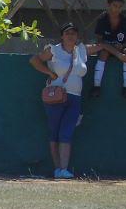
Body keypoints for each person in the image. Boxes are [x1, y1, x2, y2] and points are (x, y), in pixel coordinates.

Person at [30, 23, 100, 179]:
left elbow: (100, 46)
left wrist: (119, 50)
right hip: (56, 96)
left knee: (66, 132)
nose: (70, 36)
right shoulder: (54, 50)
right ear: (62, 35)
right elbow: (35, 60)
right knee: (55, 132)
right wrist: (49, 72)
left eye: (74, 33)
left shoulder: (80, 50)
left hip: (75, 97)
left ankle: (64, 168)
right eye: (67, 33)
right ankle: (58, 168)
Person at [91, 0, 126, 97]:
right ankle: (96, 86)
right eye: (115, 6)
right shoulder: (102, 20)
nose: (117, 9)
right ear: (108, 5)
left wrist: (123, 47)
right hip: (106, 49)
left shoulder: (125, 21)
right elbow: (100, 42)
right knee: (103, 53)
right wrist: (113, 48)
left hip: (120, 49)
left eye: (120, 7)